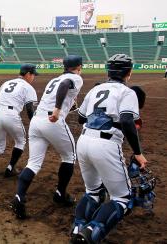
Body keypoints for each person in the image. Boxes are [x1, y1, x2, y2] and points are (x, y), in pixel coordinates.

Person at [70, 54, 148, 243]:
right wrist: (138, 153)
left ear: (108, 71)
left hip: (84, 141)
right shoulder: (126, 92)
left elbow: (81, 118)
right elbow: (128, 121)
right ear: (128, 73)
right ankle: (90, 233)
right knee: (122, 198)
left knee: (93, 192)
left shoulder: (94, 90)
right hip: (105, 144)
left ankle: (78, 229)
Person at [11, 55, 83, 219]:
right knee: (69, 157)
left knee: (33, 163)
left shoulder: (54, 80)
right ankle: (60, 194)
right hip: (52, 121)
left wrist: (65, 107)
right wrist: (58, 110)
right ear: (78, 66)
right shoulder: (75, 78)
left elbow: (61, 91)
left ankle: (19, 197)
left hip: (37, 121)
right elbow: (66, 85)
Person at [0, 64, 38, 180]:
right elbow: (29, 109)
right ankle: (10, 169)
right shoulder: (28, 87)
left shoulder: (7, 83)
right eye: (33, 74)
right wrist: (34, 123)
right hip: (11, 114)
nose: (34, 77)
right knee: (20, 142)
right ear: (28, 74)